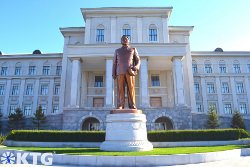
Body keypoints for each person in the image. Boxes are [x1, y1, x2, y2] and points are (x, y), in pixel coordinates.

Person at [112, 35, 140, 109]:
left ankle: (132, 104)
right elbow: (114, 63)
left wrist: (136, 67)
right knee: (120, 89)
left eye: (126, 39)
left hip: (129, 71)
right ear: (121, 41)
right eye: (123, 39)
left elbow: (138, 60)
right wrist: (113, 72)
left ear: (129, 40)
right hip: (119, 72)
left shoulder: (133, 49)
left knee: (131, 88)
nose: (125, 40)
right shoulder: (117, 51)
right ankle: (120, 105)